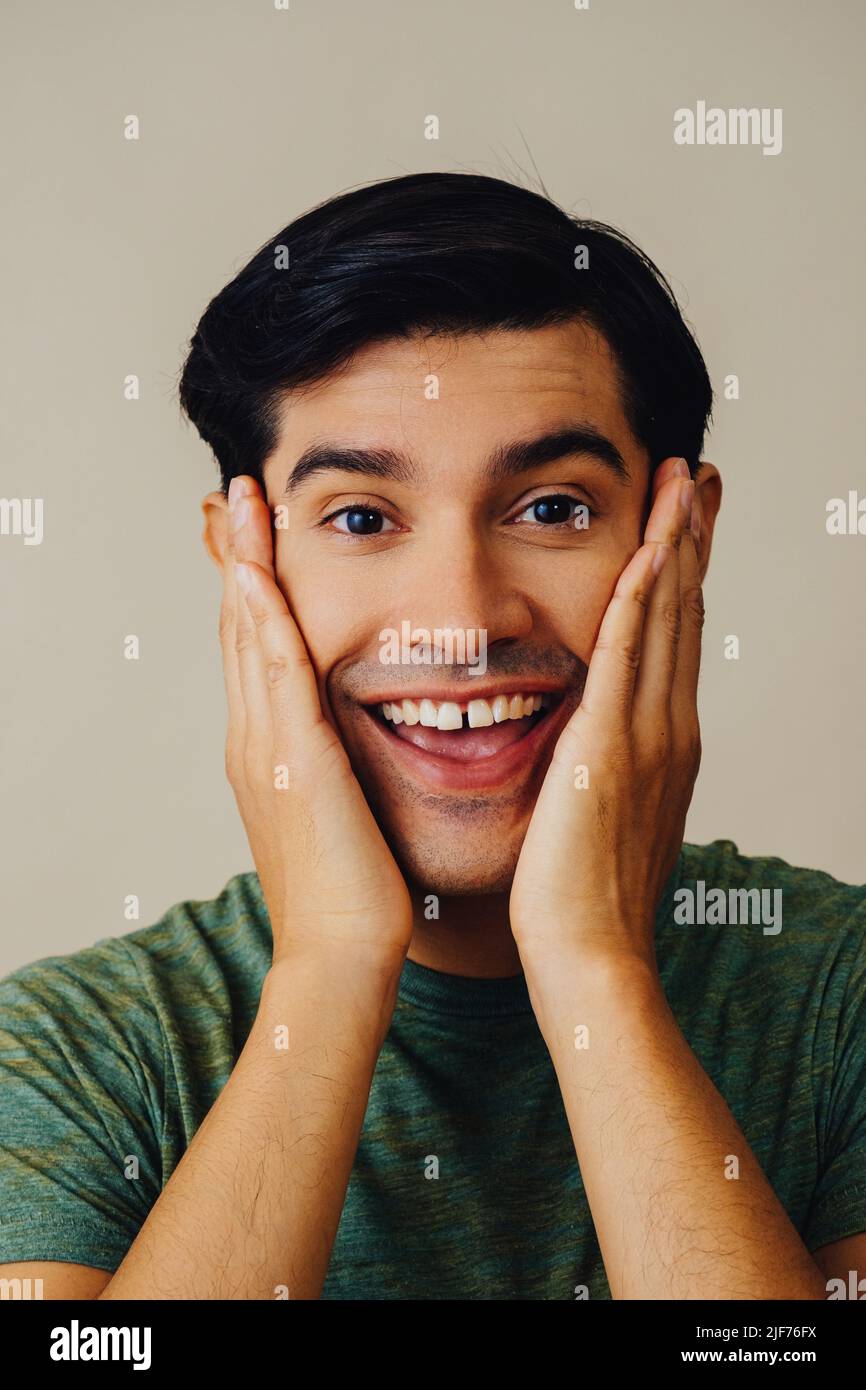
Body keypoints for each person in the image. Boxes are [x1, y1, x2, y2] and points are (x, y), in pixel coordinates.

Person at [1, 173, 863, 1301]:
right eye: (360, 518)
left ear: (682, 535)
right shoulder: (71, 1054)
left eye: (551, 507)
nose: (458, 621)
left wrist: (596, 972)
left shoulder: (838, 999)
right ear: (242, 561)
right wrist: (325, 971)